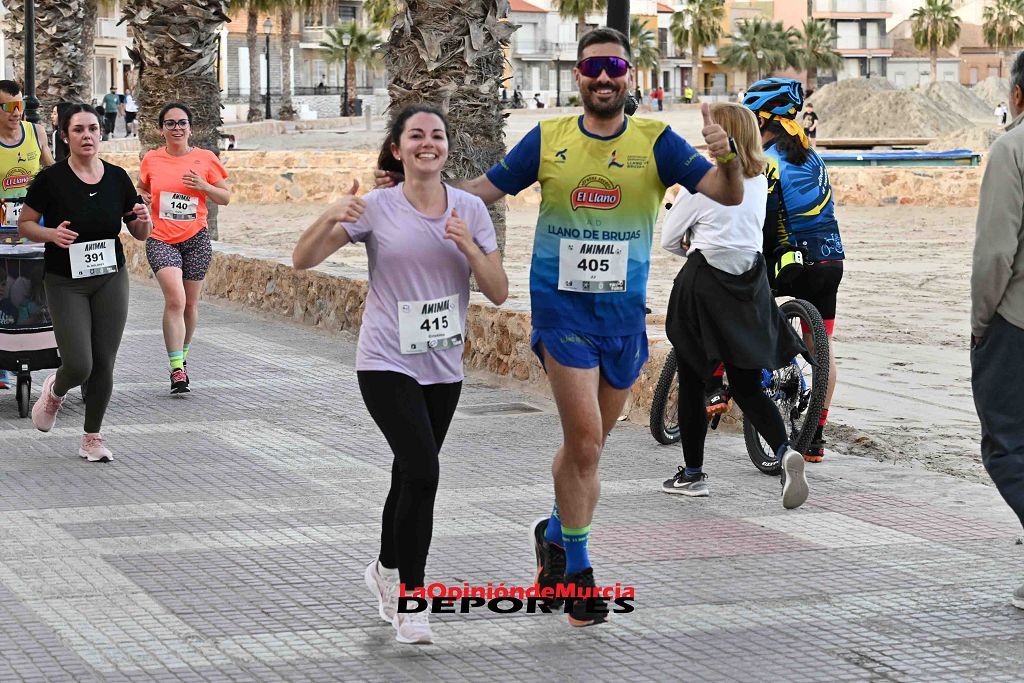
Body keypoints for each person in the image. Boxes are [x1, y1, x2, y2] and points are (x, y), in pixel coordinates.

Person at [377, 26, 741, 627]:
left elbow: (727, 194)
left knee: (587, 452)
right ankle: (579, 570)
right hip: (561, 312)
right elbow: (482, 190)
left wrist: (724, 152)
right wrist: (418, 189)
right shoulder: (549, 140)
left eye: (614, 68)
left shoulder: (659, 142)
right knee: (586, 442)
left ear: (629, 75)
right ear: (578, 75)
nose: (604, 78)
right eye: (593, 67)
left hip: (623, 320)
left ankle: (552, 532)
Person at [294, 104, 508, 644]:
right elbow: (302, 260)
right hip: (385, 359)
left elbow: (498, 290)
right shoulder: (375, 208)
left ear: (447, 148)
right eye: (416, 135)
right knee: (424, 470)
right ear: (398, 148)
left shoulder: (470, 210)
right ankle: (412, 599)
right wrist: (329, 214)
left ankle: (384, 569)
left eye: (436, 135)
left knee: (409, 472)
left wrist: (466, 247)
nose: (427, 143)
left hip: (443, 364)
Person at [658, 103, 809, 507]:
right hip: (750, 284)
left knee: (692, 377)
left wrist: (690, 243)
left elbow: (669, 239)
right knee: (745, 381)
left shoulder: (701, 183)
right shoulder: (759, 181)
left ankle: (693, 474)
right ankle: (784, 451)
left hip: (706, 282)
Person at [18, 103, 151, 461]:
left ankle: (92, 437)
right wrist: (50, 234)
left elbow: (139, 231)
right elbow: (25, 224)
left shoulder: (117, 178)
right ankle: (56, 391)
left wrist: (143, 217)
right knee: (79, 364)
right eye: (78, 130)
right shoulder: (51, 180)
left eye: (92, 128)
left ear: (101, 133)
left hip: (110, 277)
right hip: (66, 281)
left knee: (104, 361)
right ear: (65, 136)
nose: (87, 135)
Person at [743, 78, 843, 463]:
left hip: (790, 260)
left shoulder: (767, 161)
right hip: (831, 258)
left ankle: (754, 379)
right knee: (824, 347)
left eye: (752, 116)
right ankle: (816, 436)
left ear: (764, 119)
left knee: (745, 309)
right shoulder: (812, 156)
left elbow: (765, 221)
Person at [972, 49, 1024, 610]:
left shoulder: (1011, 150)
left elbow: (993, 255)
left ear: (1016, 95)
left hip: (1016, 323)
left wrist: (981, 324)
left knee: (1006, 448)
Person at [139, 102, 230, 394]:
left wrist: (204, 186)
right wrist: (141, 201)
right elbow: (142, 188)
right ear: (161, 129)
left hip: (196, 240)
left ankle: (183, 358)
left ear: (190, 128)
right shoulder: (152, 159)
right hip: (161, 239)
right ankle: (176, 370)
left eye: (181, 123)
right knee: (175, 300)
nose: (176, 128)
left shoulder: (205, 158)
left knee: (190, 304)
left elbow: (225, 197)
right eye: (170, 123)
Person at [0, 79, 54, 390]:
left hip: (33, 227)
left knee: (35, 287)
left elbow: (50, 170)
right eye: (8, 107)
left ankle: (35, 347)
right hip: (1, 228)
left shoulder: (35, 133)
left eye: (19, 105)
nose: (16, 112)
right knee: (2, 289)